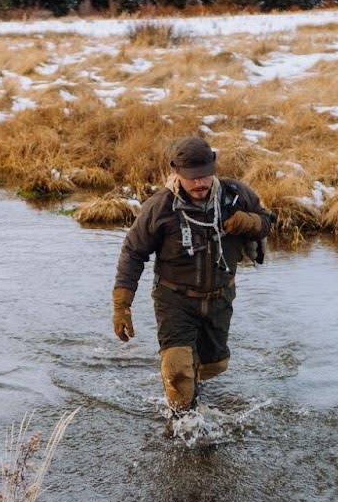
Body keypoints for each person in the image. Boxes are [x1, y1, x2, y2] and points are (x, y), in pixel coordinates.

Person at [112, 136, 273, 414]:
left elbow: (267, 221)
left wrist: (252, 222)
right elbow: (133, 253)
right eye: (191, 178)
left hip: (219, 298)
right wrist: (121, 304)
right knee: (178, 374)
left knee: (214, 365)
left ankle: (192, 375)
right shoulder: (159, 207)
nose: (200, 183)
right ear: (176, 172)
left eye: (205, 176)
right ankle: (181, 424)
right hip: (174, 300)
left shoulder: (235, 196)